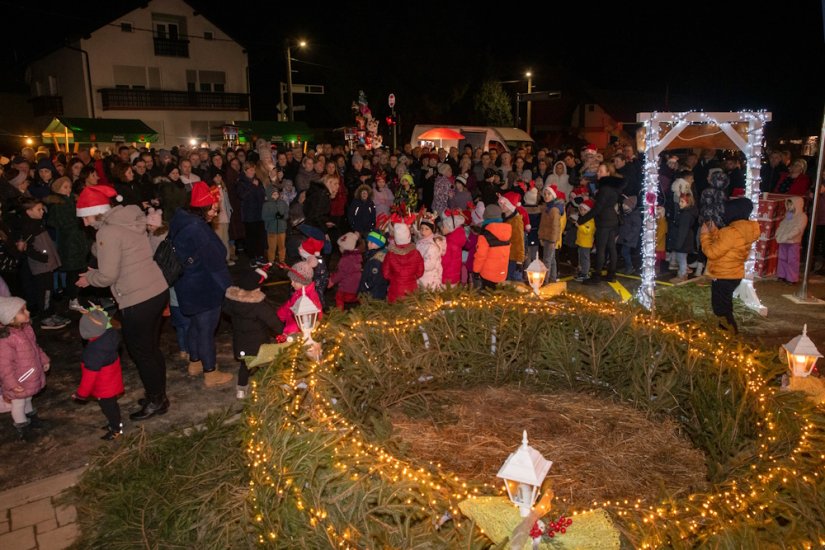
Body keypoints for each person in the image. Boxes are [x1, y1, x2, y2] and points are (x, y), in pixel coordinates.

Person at [75, 184, 170, 420]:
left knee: (142, 353)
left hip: (137, 298)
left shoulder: (107, 232)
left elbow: (107, 275)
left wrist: (89, 277)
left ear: (96, 211)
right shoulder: (129, 219)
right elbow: (124, 250)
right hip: (156, 290)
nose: (84, 223)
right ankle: (158, 394)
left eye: (85, 217)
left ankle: (157, 400)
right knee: (151, 349)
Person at [169, 182, 233, 387]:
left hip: (185, 284)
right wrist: (230, 290)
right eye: (213, 207)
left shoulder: (180, 220)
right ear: (202, 207)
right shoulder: (198, 230)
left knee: (194, 326)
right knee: (206, 329)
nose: (215, 212)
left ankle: (194, 362)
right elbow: (216, 264)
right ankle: (210, 372)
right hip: (202, 286)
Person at [699, 198, 760, 333]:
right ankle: (725, 331)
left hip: (724, 275)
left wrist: (704, 235)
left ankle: (729, 333)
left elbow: (712, 252)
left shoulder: (731, 232)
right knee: (724, 304)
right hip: (733, 274)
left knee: (721, 308)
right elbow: (725, 243)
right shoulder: (742, 229)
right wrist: (714, 231)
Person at [223, 268, 283, 399]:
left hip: (241, 343)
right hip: (259, 343)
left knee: (245, 366)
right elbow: (272, 320)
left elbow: (225, 309)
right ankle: (267, 388)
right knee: (265, 364)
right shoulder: (258, 304)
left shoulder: (233, 301)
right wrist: (281, 331)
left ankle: (241, 390)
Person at [0, 296, 50, 441]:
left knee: (28, 398)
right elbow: (4, 366)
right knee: (18, 403)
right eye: (22, 311)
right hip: (18, 379)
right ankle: (22, 426)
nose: (28, 312)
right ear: (10, 318)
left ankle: (31, 418)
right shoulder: (6, 339)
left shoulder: (26, 329)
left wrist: (43, 359)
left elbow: (35, 347)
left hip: (30, 375)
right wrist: (12, 384)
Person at [71, 306, 124, 440]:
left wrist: (81, 394)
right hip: (112, 379)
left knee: (108, 407)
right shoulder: (110, 336)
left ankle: (116, 429)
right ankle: (115, 423)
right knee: (112, 405)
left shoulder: (94, 352)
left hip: (104, 386)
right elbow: (103, 322)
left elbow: (89, 377)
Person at [45, 176, 89, 312]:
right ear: (58, 189)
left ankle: (77, 297)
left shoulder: (71, 201)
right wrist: (80, 221)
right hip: (69, 242)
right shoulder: (59, 204)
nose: (68, 189)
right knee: (72, 273)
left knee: (79, 270)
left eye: (69, 186)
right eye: (65, 187)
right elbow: (64, 223)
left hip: (78, 240)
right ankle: (72, 299)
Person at [580, 163, 624, 284]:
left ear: (608, 173)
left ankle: (596, 276)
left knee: (601, 248)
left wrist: (582, 220)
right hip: (612, 219)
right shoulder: (612, 186)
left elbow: (597, 208)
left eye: (601, 171)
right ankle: (611, 274)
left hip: (604, 221)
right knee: (611, 247)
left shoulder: (605, 188)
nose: (598, 173)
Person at [382, 216, 424, 303]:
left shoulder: (390, 254)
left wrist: (394, 278)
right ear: (408, 236)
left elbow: (385, 274)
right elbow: (420, 272)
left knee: (396, 312)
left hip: (395, 288)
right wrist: (412, 277)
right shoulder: (416, 253)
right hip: (411, 288)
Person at [471, 204, 512, 289]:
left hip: (488, 274)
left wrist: (476, 271)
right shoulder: (506, 232)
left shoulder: (485, 235)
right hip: (502, 273)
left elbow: (480, 256)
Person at [278, 260, 322, 335]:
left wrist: (289, 332)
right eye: (291, 281)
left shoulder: (309, 299)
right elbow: (290, 304)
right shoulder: (299, 292)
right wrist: (279, 315)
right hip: (291, 327)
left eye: (294, 281)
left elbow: (307, 321)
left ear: (303, 282)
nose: (291, 283)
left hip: (298, 334)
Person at [775, 196, 807, 284]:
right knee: (782, 258)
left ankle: (792, 278)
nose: (789, 207)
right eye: (788, 205)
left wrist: (787, 236)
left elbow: (797, 229)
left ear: (797, 205)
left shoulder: (802, 216)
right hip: (783, 240)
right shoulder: (788, 215)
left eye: (791, 205)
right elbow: (782, 225)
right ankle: (782, 275)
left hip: (793, 242)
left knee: (792, 260)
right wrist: (778, 234)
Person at [328, 232, 363, 310]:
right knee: (359, 297)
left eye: (340, 247)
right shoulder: (357, 256)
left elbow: (341, 274)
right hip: (357, 285)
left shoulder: (345, 260)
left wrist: (332, 280)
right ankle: (364, 309)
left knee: (339, 297)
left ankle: (339, 314)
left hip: (347, 287)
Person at [415, 213, 445, 290]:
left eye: (426, 229)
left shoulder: (432, 246)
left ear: (432, 230)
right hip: (420, 275)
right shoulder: (420, 242)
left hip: (430, 279)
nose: (423, 231)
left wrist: (416, 266)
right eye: (421, 228)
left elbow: (429, 265)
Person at [358, 231, 389, 299]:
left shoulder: (377, 260)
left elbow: (374, 278)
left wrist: (365, 286)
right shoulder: (373, 254)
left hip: (373, 293)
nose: (368, 244)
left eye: (371, 242)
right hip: (374, 291)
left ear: (378, 244)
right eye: (368, 242)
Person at [262, 186, 288, 264]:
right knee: (272, 247)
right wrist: (274, 216)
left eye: (277, 194)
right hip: (271, 230)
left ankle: (282, 260)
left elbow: (287, 214)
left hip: (282, 229)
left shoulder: (282, 203)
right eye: (273, 194)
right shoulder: (266, 205)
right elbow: (264, 217)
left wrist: (282, 216)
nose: (275, 196)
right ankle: (271, 261)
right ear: (269, 195)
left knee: (282, 246)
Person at [440, 209, 466, 286]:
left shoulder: (450, 243)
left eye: (443, 226)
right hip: (455, 275)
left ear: (450, 227)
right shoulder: (457, 238)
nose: (441, 228)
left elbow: (444, 261)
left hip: (447, 276)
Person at [574, 199, 596, 282]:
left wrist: (579, 226)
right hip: (581, 242)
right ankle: (583, 271)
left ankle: (585, 274)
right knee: (581, 258)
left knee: (585, 258)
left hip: (586, 243)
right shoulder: (583, 218)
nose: (582, 212)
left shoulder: (590, 220)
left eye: (584, 210)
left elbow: (587, 230)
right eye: (581, 210)